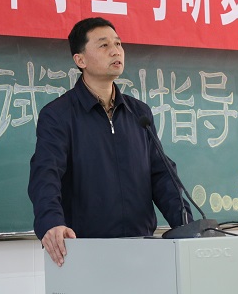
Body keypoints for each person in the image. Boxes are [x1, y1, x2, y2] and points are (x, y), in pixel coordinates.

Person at [28, 17, 192, 266]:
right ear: (80, 60)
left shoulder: (139, 113)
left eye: (118, 43)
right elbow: (45, 174)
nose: (116, 51)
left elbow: (161, 175)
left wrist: (187, 225)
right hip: (84, 252)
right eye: (104, 45)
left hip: (141, 249)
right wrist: (51, 223)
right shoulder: (59, 115)